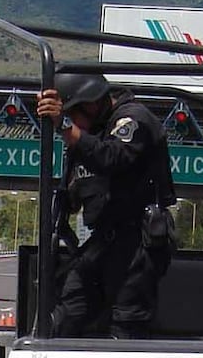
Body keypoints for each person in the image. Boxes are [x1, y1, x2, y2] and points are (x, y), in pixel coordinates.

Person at [34, 71, 176, 339]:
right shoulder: (91, 135)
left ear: (90, 104)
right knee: (67, 312)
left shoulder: (132, 119)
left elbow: (112, 156)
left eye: (74, 113)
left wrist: (65, 126)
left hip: (138, 242)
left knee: (126, 325)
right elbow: (79, 187)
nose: (74, 124)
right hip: (104, 241)